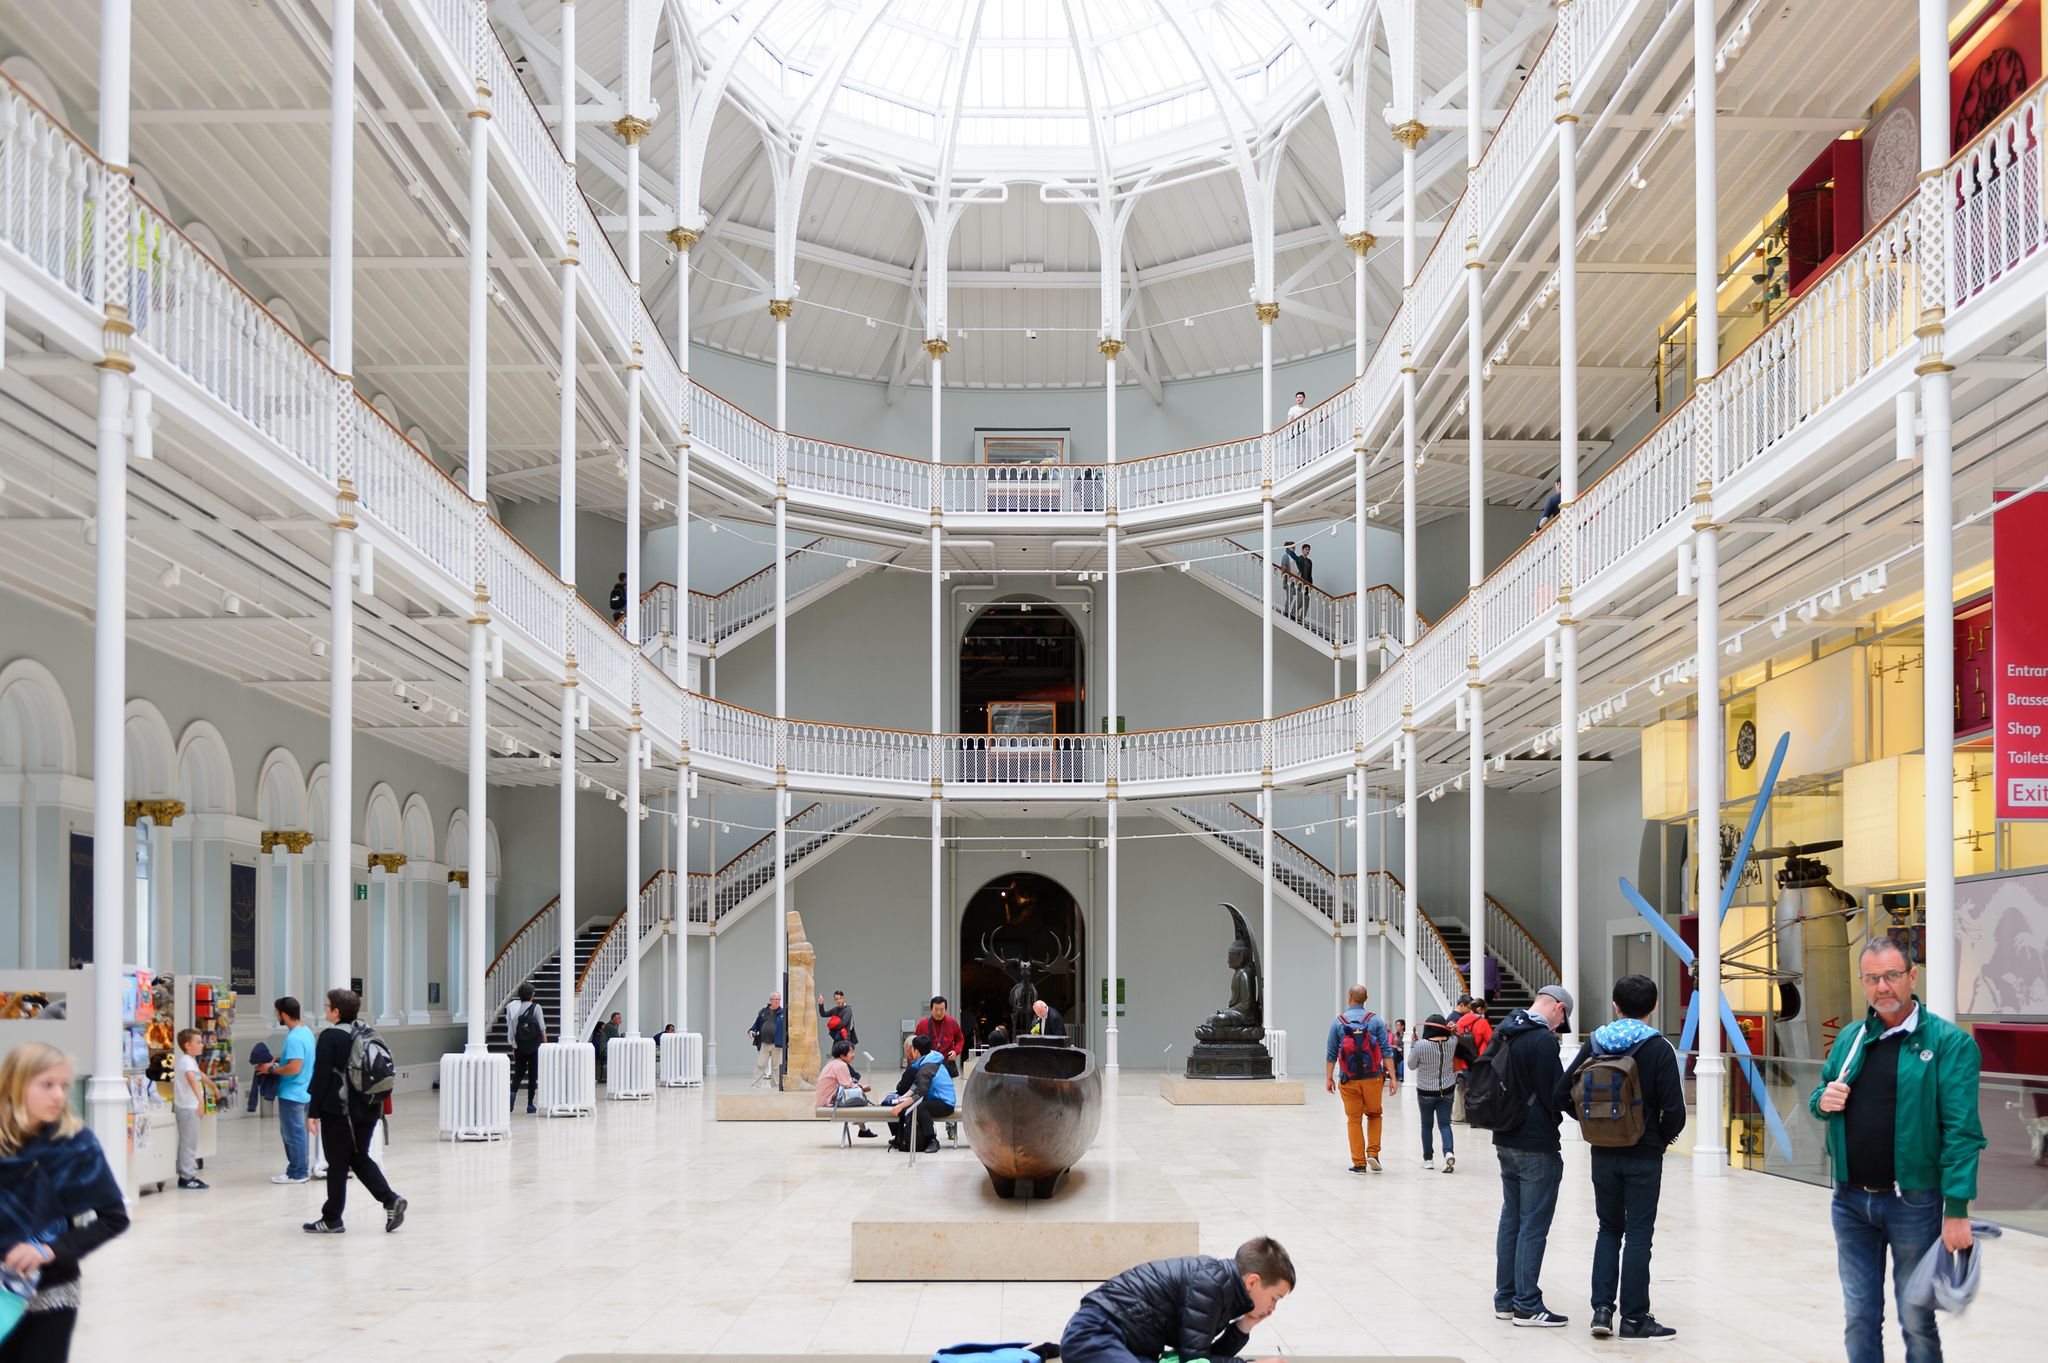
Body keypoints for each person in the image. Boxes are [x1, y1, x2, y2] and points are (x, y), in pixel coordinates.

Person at [1810, 937, 1986, 1363]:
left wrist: (1957, 1209)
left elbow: (1962, 1132)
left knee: (1916, 1320)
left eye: (1891, 976)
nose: (1882, 987)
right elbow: (1823, 1095)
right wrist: (1822, 1101)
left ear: (1912, 976)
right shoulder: (1853, 1037)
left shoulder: (1949, 1044)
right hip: (1850, 1201)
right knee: (1859, 1317)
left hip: (1914, 1202)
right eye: (1872, 979)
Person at [1559, 973, 1686, 1340]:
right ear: (1654, 1006)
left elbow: (1562, 1093)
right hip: (1644, 1154)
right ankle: (1634, 1318)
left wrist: (1592, 1124)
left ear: (1615, 1005)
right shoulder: (1659, 1047)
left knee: (1608, 1229)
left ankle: (1601, 1311)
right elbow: (1674, 1109)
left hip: (1603, 1152)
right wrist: (1659, 1140)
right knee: (1639, 1234)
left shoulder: (1596, 1043)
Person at [0, 1043, 129, 1362]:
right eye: (47, 1085)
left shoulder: (76, 1144)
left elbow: (114, 1218)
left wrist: (47, 1250)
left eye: (63, 1085)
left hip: (52, 1290)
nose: (59, 1095)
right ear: (15, 1085)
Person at [1059, 1236, 1293, 1363]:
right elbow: (1195, 1361)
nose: (1272, 1308)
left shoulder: (1224, 1289)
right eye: (1275, 1298)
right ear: (1252, 1282)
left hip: (1126, 1345)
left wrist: (1245, 1324)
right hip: (1095, 1332)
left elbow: (1199, 1357)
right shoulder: (1210, 1284)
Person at [1490, 983, 1573, 1328]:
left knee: (1512, 1218)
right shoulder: (1541, 1040)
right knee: (1533, 1223)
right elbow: (1555, 1095)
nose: (1558, 1027)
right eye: (1561, 1020)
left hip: (1505, 1137)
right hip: (1536, 1143)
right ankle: (1527, 1303)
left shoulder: (1506, 1030)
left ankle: (1505, 1298)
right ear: (1557, 1007)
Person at [304, 988, 406, 1236]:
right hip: (370, 1107)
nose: (325, 1009)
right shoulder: (367, 1032)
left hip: (339, 1111)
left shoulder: (330, 1037)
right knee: (358, 1157)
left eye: (327, 1006)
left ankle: (332, 1219)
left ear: (336, 1011)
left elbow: (321, 1077)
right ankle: (390, 1200)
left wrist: (313, 1111)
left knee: (338, 1163)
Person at [1324, 984, 1397, 1173]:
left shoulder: (1339, 1022)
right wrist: (1393, 1078)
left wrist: (1329, 1078)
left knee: (1353, 1120)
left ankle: (1359, 1163)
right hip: (1373, 1077)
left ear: (1349, 997)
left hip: (1349, 1079)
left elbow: (1331, 1053)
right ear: (1366, 998)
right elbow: (1386, 1050)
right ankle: (1373, 1153)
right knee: (1374, 1114)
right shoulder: (1375, 1021)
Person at [258, 996, 314, 1183]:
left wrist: (271, 1069)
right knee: (298, 1133)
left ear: (283, 1014)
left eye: (276, 1012)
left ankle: (297, 1172)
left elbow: (294, 1067)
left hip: (292, 1093)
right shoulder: (306, 1032)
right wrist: (279, 1058)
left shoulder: (294, 1038)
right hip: (304, 1091)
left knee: (293, 1134)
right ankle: (299, 1169)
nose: (276, 1016)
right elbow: (297, 1058)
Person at [883, 1034, 956, 1153]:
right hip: (935, 1099)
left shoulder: (926, 1068)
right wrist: (904, 1097)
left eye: (912, 1049)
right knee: (910, 1106)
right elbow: (916, 1084)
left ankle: (932, 1140)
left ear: (916, 1051)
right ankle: (901, 1138)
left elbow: (920, 1094)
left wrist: (900, 1105)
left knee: (920, 1107)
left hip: (945, 1103)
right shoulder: (930, 1059)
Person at [173, 1027, 217, 1191]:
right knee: (188, 1142)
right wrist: (201, 1102)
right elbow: (192, 1080)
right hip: (187, 1107)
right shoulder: (185, 1062)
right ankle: (187, 1176)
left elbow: (200, 1076)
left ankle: (185, 1172)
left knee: (188, 1141)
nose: (202, 1045)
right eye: (198, 1042)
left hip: (188, 1107)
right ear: (187, 1045)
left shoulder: (190, 1061)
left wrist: (213, 1087)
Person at [816, 1038, 878, 1139]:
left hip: (827, 1097)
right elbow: (848, 1085)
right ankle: (863, 1129)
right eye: (851, 1052)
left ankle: (863, 1130)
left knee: (857, 1097)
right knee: (859, 1099)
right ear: (842, 1055)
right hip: (830, 1100)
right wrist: (862, 1088)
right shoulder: (841, 1065)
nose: (854, 1054)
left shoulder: (833, 1062)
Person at [1451, 994, 1493, 1123]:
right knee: (1477, 1089)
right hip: (1477, 1061)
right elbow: (1491, 1040)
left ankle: (1458, 1115)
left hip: (1462, 1060)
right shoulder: (1482, 1023)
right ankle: (1474, 1117)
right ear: (1479, 1009)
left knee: (1461, 1087)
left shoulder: (1460, 1021)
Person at [505, 982, 546, 1114]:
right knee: (533, 1075)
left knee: (518, 1073)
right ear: (531, 995)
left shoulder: (512, 1008)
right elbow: (542, 1027)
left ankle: (512, 1095)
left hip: (520, 1046)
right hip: (534, 1047)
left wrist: (513, 1045)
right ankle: (530, 1104)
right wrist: (544, 1044)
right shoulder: (536, 1007)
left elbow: (511, 1030)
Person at [915, 995, 966, 1074]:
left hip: (946, 1062)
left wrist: (956, 1051)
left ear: (946, 1009)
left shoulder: (952, 1022)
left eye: (941, 1010)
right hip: (927, 1064)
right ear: (931, 1009)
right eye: (936, 1010)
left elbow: (960, 1039)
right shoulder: (923, 1023)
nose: (939, 1013)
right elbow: (915, 1043)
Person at [750, 992, 786, 1087]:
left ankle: (776, 1086)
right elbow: (756, 1024)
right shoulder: (763, 1012)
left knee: (776, 1067)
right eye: (775, 999)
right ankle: (755, 1085)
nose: (777, 1001)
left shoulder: (783, 1012)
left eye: (779, 999)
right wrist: (751, 1030)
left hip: (777, 1044)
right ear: (770, 1000)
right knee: (760, 1065)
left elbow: (787, 1027)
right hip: (764, 1043)